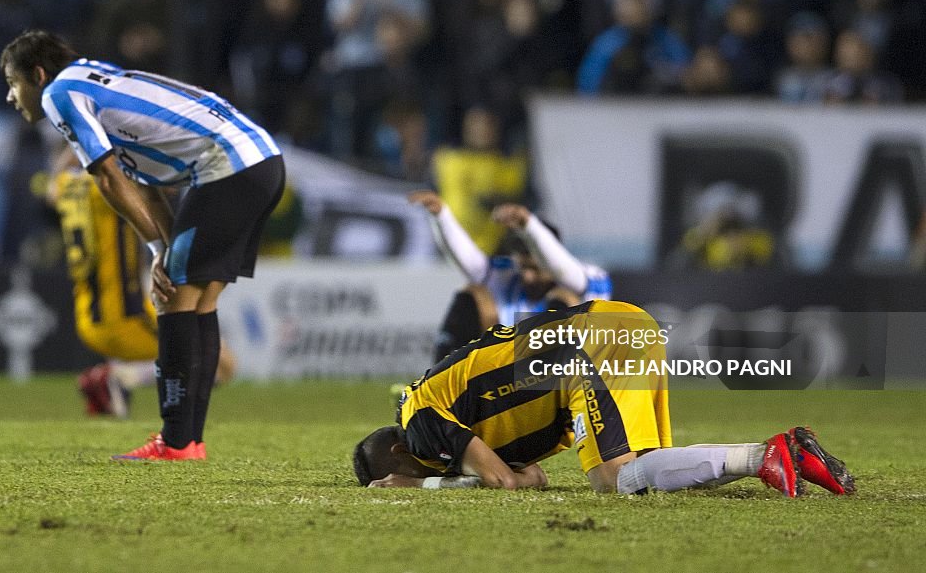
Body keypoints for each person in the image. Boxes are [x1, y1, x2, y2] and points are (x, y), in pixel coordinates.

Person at [0, 29, 284, 461]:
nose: (10, 97)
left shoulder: (59, 94)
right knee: (198, 301)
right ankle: (188, 441)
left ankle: (176, 442)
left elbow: (109, 177)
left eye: (12, 83)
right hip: (260, 162)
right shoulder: (97, 83)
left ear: (37, 75)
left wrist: (156, 252)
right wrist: (165, 250)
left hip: (227, 169)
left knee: (171, 300)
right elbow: (141, 183)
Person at [354, 301, 855, 497]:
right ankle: (791, 457)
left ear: (401, 452)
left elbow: (504, 480)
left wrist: (421, 488)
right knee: (642, 471)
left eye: (421, 468)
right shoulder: (456, 420)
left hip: (586, 349)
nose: (434, 469)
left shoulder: (419, 417)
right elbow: (532, 477)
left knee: (612, 479)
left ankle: (766, 455)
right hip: (617, 327)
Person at [47, 152, 237, 419]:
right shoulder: (113, 182)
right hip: (126, 317)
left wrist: (74, 141)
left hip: (88, 319)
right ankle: (119, 377)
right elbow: (165, 184)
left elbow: (51, 189)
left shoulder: (69, 184)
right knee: (222, 365)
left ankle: (113, 386)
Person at [409, 190, 611, 362]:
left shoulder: (590, 279)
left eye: (535, 269)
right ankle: (435, 388)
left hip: (571, 386)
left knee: (567, 303)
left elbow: (563, 270)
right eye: (523, 268)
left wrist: (529, 226)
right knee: (472, 294)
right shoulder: (509, 278)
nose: (528, 277)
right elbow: (471, 263)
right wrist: (441, 216)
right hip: (511, 389)